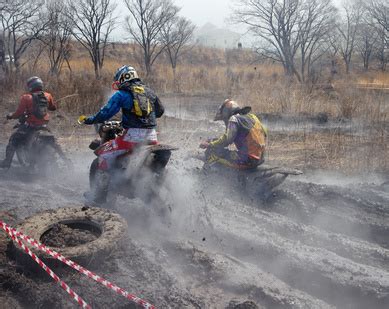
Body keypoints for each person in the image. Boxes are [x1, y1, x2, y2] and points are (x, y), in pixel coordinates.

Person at [82, 65, 165, 205]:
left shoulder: (121, 94)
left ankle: (98, 198)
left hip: (131, 139)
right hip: (152, 138)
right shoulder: (149, 92)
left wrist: (89, 120)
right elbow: (160, 111)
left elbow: (105, 113)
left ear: (122, 78)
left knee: (103, 155)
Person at [0, 76, 58, 169]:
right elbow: (53, 108)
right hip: (44, 126)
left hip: (31, 126)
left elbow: (18, 113)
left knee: (13, 139)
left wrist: (10, 116)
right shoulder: (48, 95)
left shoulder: (26, 97)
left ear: (31, 86)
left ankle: (7, 163)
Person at [200, 99, 267, 169]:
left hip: (247, 159)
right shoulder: (252, 117)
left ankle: (207, 176)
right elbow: (264, 132)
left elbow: (227, 139)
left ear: (226, 113)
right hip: (259, 159)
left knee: (214, 153)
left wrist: (211, 144)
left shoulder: (234, 119)